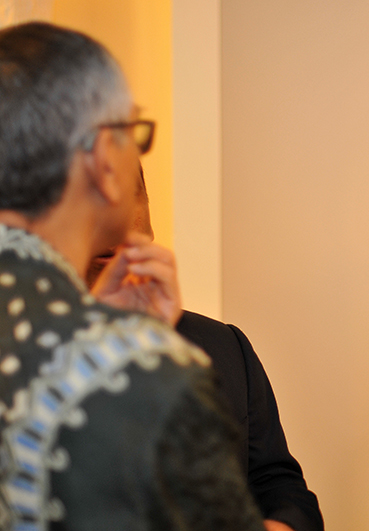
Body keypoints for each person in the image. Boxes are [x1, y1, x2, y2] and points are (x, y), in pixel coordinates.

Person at [0, 22, 264, 530]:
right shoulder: (138, 370)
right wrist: (126, 347)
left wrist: (97, 324)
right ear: (104, 161)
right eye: (134, 135)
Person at [88, 168, 325, 531]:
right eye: (90, 189)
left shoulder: (223, 347)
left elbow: (278, 486)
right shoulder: (19, 358)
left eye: (128, 187)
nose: (114, 212)